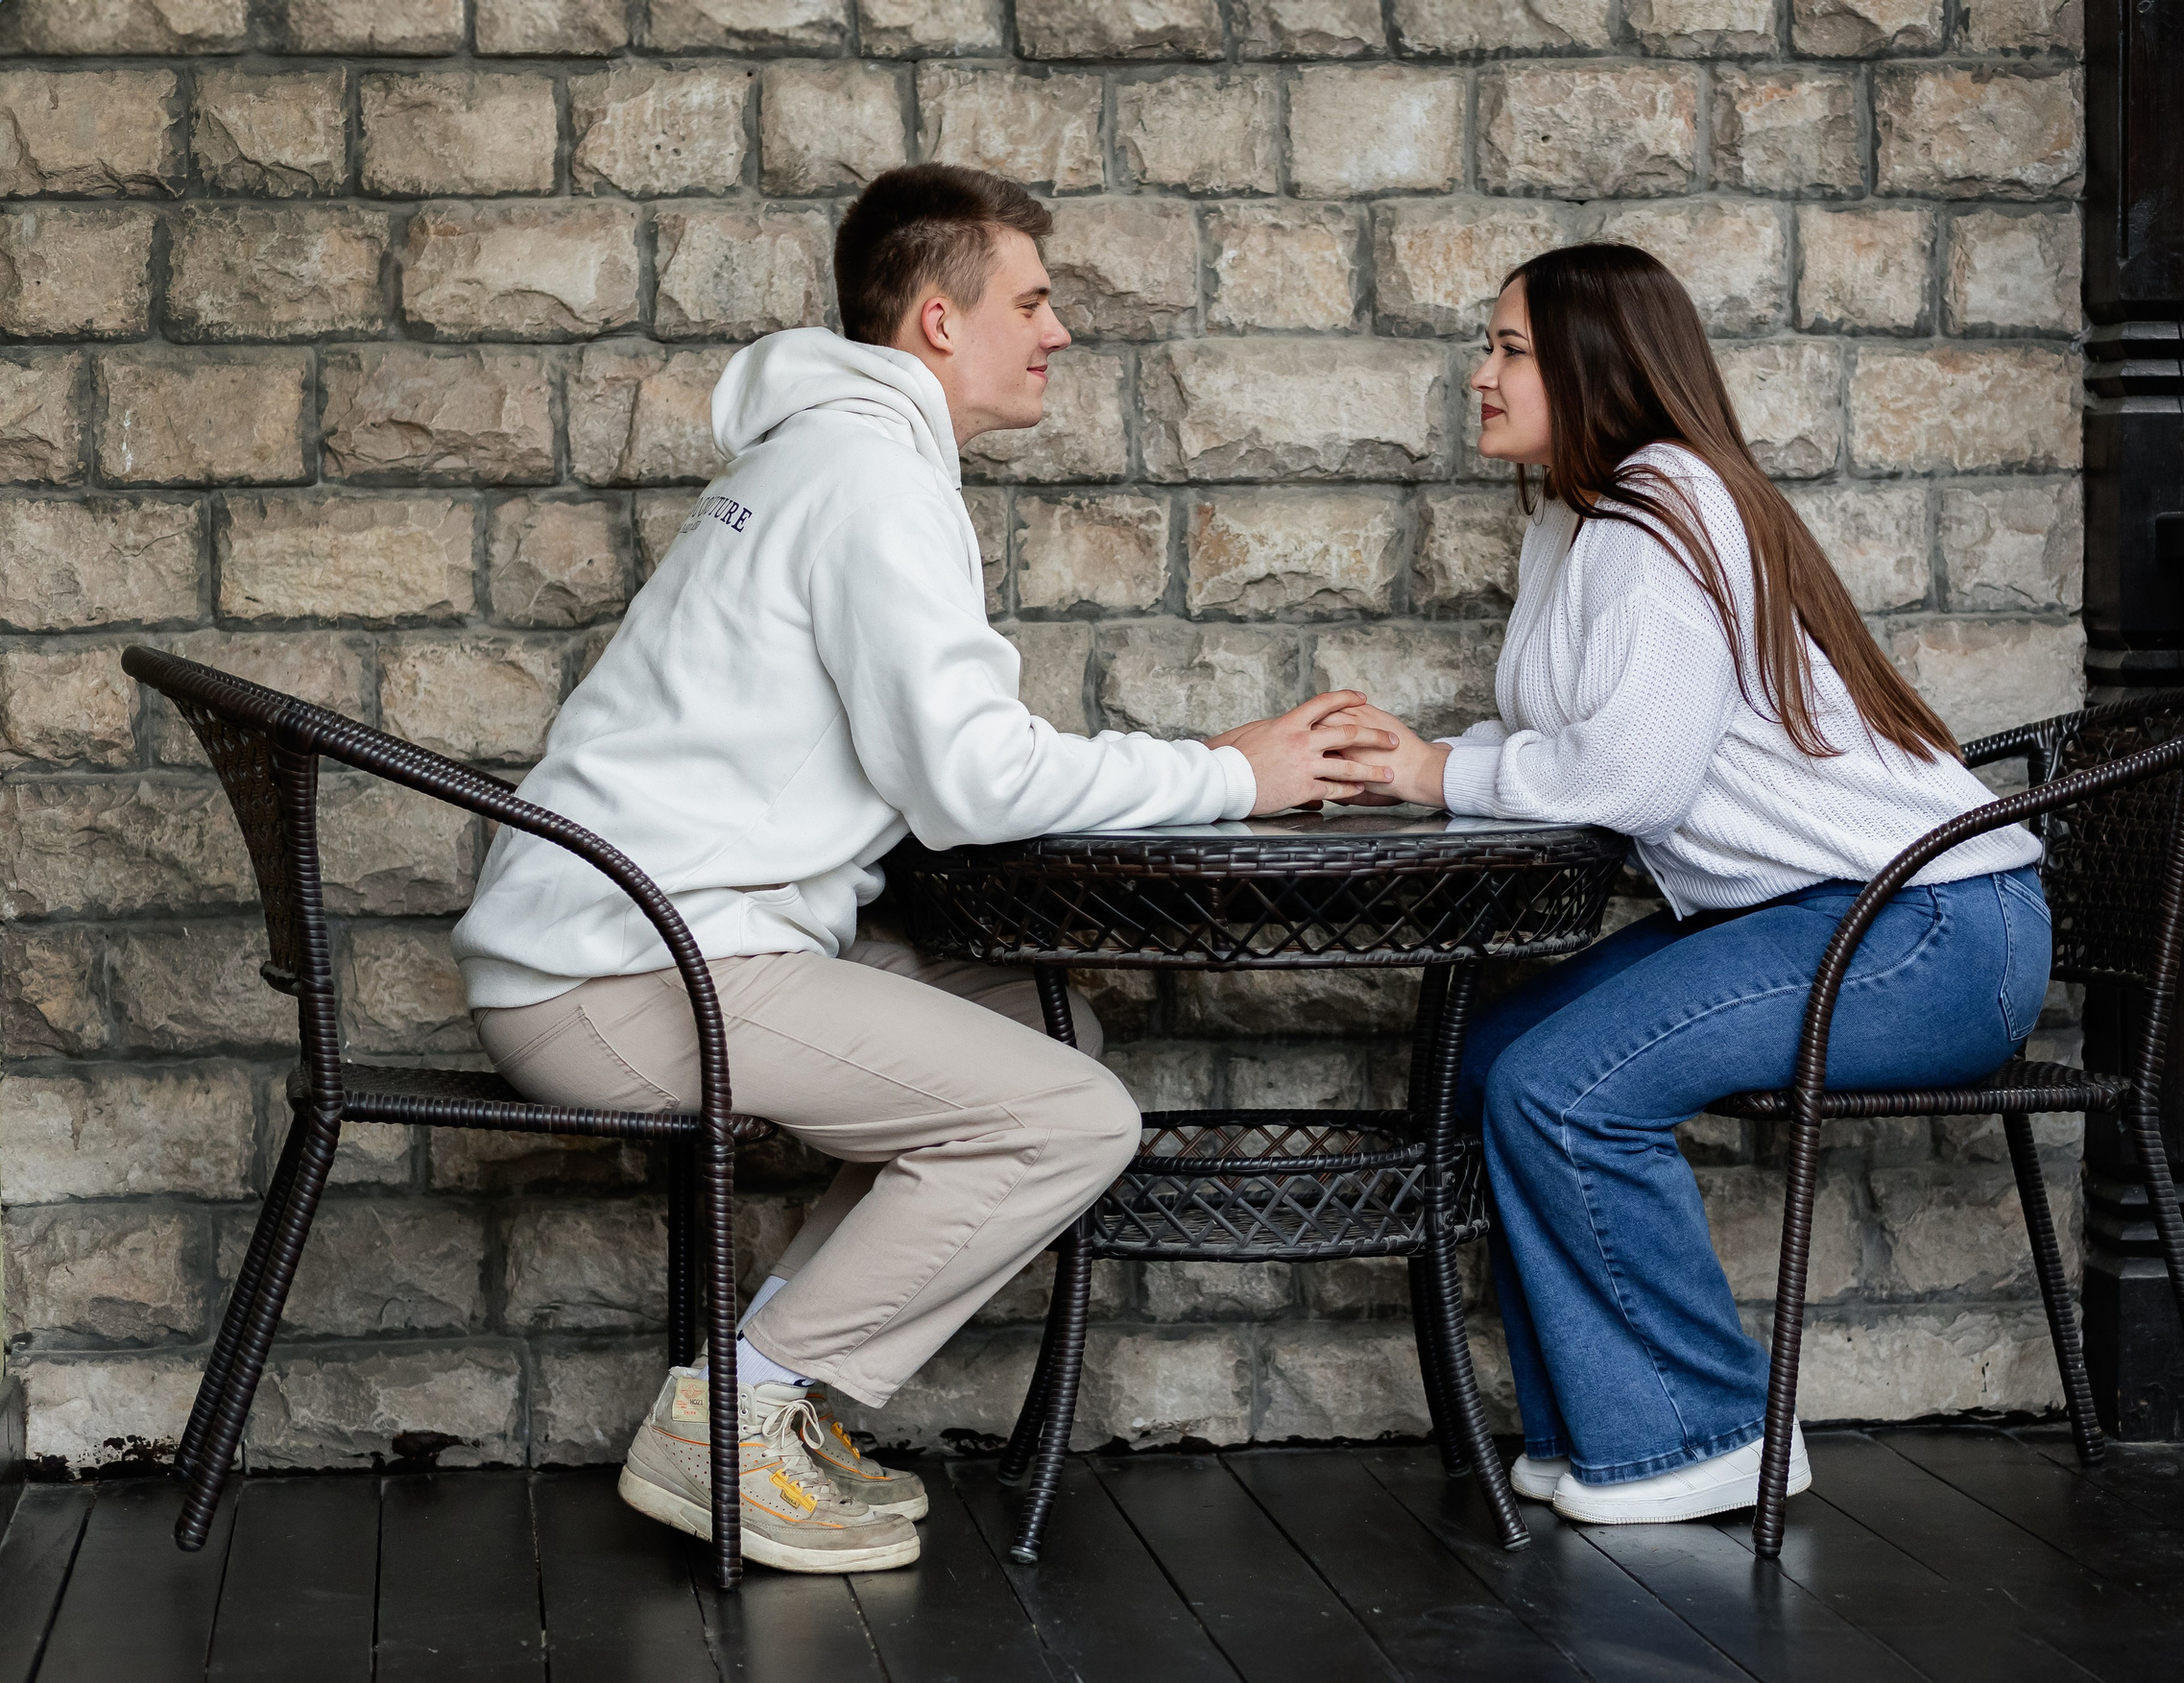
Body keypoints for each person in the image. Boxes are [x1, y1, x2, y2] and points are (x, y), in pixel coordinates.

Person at [450, 163, 1398, 1574]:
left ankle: (756, 1391)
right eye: (1034, 301)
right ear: (941, 322)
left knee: (1048, 1033)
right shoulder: (871, 479)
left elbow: (926, 764)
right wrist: (1230, 776)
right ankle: (736, 1418)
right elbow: (971, 784)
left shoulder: (824, 456)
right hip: (626, 976)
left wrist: (1188, 767)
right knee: (1068, 1118)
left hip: (651, 943)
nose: (1058, 332)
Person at [1327, 244, 2051, 1525]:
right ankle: (1596, 1424)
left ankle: (1706, 1430)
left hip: (1931, 930)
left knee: (1563, 1088)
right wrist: (1417, 766)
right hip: (1825, 915)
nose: (1479, 374)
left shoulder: (1660, 514)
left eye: (1510, 350)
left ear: (1595, 366)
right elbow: (1590, 738)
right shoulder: (1581, 519)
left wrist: (1443, 772)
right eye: (1488, 346)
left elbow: (1631, 779)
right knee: (1490, 1055)